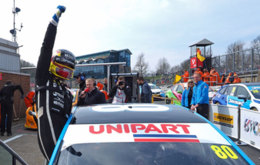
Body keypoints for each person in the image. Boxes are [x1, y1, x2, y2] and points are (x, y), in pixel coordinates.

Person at [35, 6, 75, 161]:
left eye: (67, 72)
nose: (64, 75)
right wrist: (53, 23)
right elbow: (46, 47)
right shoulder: (43, 77)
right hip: (50, 141)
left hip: (66, 140)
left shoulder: (65, 91)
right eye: (61, 70)